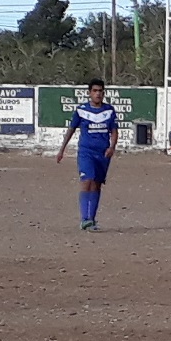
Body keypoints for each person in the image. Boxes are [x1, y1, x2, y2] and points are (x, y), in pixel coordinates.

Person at [55, 78, 118, 231]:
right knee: (86, 180)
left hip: (103, 153)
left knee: (96, 184)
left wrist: (112, 147)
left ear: (104, 93)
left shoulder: (109, 111)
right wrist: (62, 149)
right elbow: (71, 129)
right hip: (86, 151)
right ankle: (84, 219)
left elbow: (114, 131)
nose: (98, 94)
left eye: (100, 91)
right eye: (95, 91)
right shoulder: (81, 110)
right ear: (89, 93)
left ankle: (92, 218)